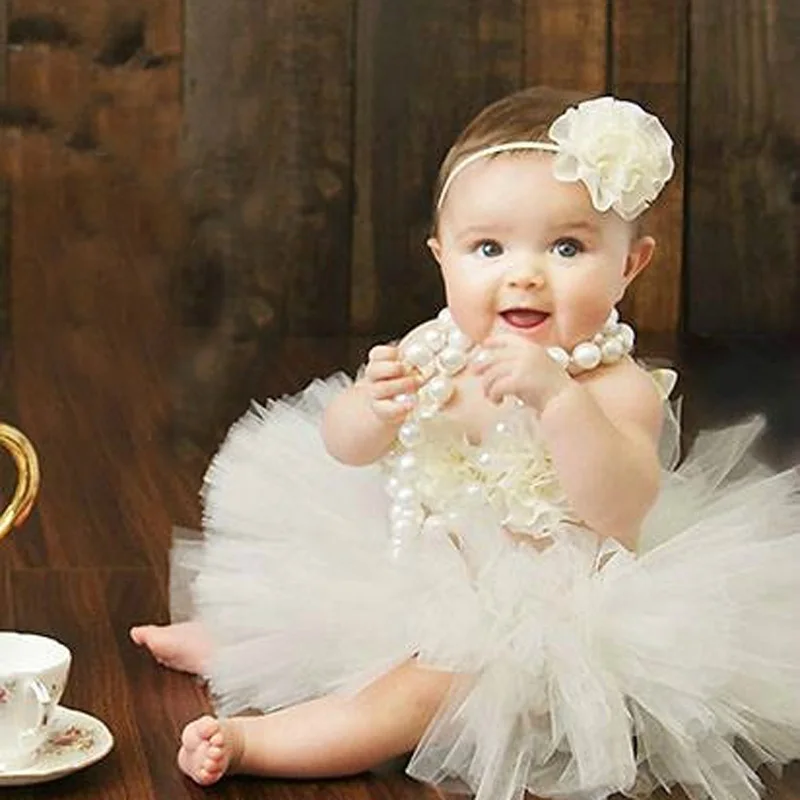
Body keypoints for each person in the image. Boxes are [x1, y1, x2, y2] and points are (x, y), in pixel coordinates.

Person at [131, 87, 800, 800]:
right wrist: (370, 409)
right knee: (317, 603)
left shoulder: (616, 388)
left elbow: (619, 507)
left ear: (630, 265)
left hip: (544, 616)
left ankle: (262, 742)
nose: (524, 273)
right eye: (488, 247)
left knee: (422, 692)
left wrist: (557, 399)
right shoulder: (434, 349)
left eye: (567, 246)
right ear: (442, 256)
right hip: (425, 566)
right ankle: (238, 644)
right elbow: (346, 449)